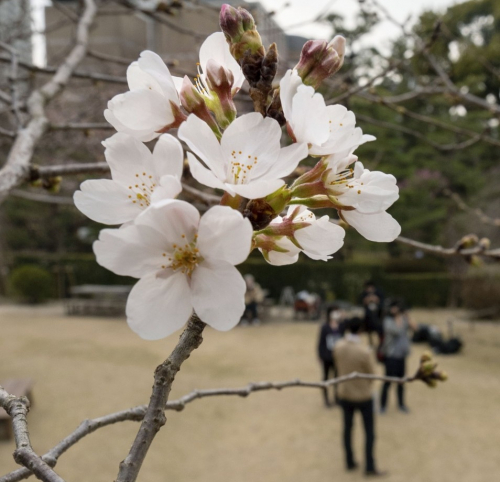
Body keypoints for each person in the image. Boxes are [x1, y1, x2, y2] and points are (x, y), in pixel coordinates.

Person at [334, 317, 386, 477]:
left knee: (347, 430)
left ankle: (349, 461)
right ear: (361, 330)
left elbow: (338, 368)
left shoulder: (338, 346)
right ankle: (369, 466)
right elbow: (372, 374)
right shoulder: (364, 351)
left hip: (345, 393)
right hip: (363, 396)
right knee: (369, 432)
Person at [380, 300, 415, 413]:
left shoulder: (404, 319)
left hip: (402, 355)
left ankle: (401, 404)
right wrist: (400, 319)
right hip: (391, 355)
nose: (393, 310)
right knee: (388, 381)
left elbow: (415, 328)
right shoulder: (388, 321)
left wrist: (407, 317)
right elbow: (396, 331)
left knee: (401, 381)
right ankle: (382, 405)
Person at [317, 305, 343, 406]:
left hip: (338, 357)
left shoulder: (341, 326)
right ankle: (326, 399)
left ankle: (337, 398)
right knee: (326, 378)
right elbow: (320, 342)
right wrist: (320, 355)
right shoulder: (325, 327)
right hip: (327, 357)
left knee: (337, 378)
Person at [359, 281, 384, 346]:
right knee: (368, 330)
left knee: (379, 330)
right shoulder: (364, 294)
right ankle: (370, 343)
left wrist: (376, 300)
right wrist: (368, 300)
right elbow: (362, 302)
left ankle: (380, 342)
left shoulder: (379, 293)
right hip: (368, 316)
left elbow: (381, 303)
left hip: (377, 315)